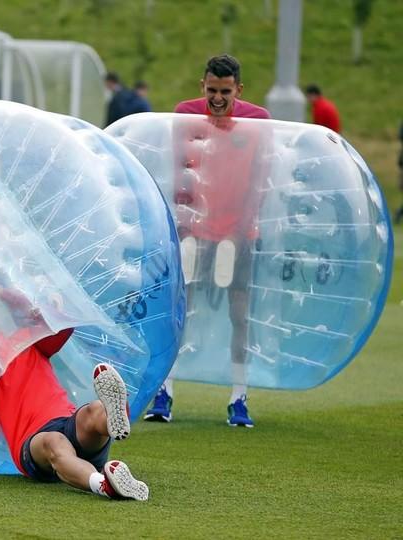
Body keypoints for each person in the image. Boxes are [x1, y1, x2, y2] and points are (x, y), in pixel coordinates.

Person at [144, 54, 270, 428]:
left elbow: (260, 178)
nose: (218, 98)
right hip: (196, 232)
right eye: (212, 90)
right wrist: (184, 225)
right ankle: (164, 392)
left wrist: (242, 226)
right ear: (203, 86)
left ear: (239, 90)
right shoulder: (185, 115)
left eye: (225, 92)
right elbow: (181, 174)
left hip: (240, 232)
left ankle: (239, 396)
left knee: (239, 313)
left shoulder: (258, 121)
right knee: (182, 309)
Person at [0, 328, 149, 500]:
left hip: (64, 418)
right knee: (53, 442)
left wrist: (53, 306)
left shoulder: (27, 339)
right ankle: (103, 483)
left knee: (93, 410)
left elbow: (62, 327)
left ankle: (113, 417)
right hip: (30, 438)